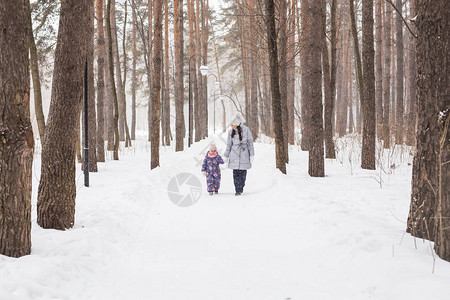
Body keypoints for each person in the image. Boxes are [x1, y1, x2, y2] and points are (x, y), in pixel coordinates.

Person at [224, 113, 254, 196]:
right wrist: (226, 155)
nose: (231, 126)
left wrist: (252, 155)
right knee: (235, 174)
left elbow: (250, 143)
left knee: (243, 174)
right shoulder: (231, 132)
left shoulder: (246, 130)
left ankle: (241, 187)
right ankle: (237, 189)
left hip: (244, 154)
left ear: (237, 123)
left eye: (232, 124)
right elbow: (229, 145)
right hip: (234, 155)